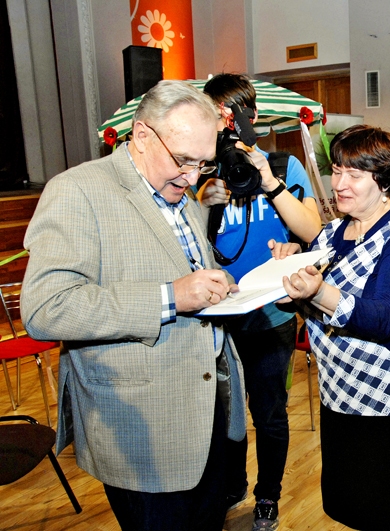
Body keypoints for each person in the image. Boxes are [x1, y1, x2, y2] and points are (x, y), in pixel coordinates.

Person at [21, 80, 246, 531]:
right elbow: (46, 308)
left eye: (202, 164)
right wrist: (170, 296)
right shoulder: (78, 191)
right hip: (143, 425)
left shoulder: (180, 194)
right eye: (182, 160)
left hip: (210, 412)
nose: (191, 177)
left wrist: (220, 284)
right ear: (141, 136)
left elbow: (180, 268)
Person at [273, 124, 390, 531]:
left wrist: (317, 292)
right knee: (360, 507)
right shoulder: (331, 234)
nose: (339, 183)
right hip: (342, 393)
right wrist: (289, 283)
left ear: (383, 180)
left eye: (354, 174)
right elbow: (314, 314)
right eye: (336, 171)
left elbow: (384, 318)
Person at [199, 73, 321, 531]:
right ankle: (232, 487)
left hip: (272, 314)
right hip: (218, 316)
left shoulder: (284, 165)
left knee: (268, 412)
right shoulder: (199, 173)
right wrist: (202, 204)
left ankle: (268, 494)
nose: (223, 128)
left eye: (228, 117)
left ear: (248, 118)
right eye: (213, 119)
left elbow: (311, 229)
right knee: (223, 413)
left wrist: (271, 186)